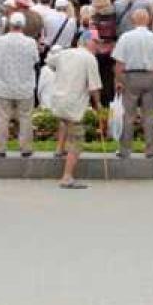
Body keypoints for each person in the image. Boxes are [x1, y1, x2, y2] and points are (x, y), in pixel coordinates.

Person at [47, 30, 103, 189]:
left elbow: (49, 62)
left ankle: (59, 149)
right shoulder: (89, 58)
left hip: (59, 100)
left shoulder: (65, 53)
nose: (97, 46)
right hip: (73, 104)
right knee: (77, 139)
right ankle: (67, 177)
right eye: (95, 42)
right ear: (85, 41)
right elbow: (94, 87)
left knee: (65, 125)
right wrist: (98, 104)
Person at [111, 9, 153, 159]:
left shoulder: (125, 37)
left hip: (130, 76)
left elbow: (119, 63)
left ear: (133, 20)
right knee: (149, 115)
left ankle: (125, 150)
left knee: (128, 115)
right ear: (148, 20)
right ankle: (150, 149)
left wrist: (118, 80)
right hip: (149, 76)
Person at [0, 13, 39, 157]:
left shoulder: (0, 41)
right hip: (24, 86)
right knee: (25, 117)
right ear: (23, 25)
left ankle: (0, 148)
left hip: (4, 85)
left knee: (2, 118)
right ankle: (26, 148)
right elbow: (36, 60)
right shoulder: (30, 42)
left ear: (10, 25)